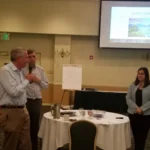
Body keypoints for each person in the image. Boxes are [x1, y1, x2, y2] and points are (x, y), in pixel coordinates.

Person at [0, 47, 33, 150]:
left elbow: (21, 91)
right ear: (19, 58)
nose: (28, 60)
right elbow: (13, 92)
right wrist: (27, 80)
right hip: (10, 111)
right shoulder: (5, 71)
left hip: (23, 109)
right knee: (11, 144)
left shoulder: (20, 71)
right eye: (26, 57)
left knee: (25, 144)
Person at [22, 49, 49, 150]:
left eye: (33, 56)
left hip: (36, 100)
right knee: (24, 124)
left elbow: (46, 85)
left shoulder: (40, 70)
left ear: (36, 58)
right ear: (27, 58)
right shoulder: (22, 69)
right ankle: (24, 146)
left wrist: (38, 80)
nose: (32, 58)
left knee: (34, 124)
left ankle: (34, 146)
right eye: (29, 57)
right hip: (24, 101)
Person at [126, 67, 150, 150]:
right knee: (136, 138)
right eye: (138, 73)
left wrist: (142, 109)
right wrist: (137, 108)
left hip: (145, 116)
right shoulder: (133, 85)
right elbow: (128, 98)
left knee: (142, 139)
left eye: (142, 73)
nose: (139, 75)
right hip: (134, 115)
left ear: (146, 75)